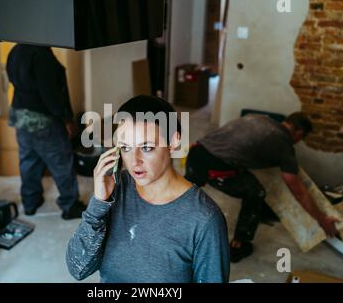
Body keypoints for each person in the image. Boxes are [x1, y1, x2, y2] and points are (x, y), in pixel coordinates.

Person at [66, 95, 229, 283]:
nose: (134, 162)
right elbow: (78, 269)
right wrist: (98, 203)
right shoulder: (115, 190)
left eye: (146, 147)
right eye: (126, 148)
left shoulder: (204, 219)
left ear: (173, 142)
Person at [185, 112, 340, 263]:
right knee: (256, 192)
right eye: (302, 138)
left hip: (195, 153)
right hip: (212, 169)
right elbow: (298, 191)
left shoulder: (258, 118)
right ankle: (239, 244)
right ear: (299, 133)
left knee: (185, 196)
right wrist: (321, 219)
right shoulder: (283, 145)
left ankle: (172, 226)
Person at [6, 44, 86, 219]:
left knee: (28, 160)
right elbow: (51, 94)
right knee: (61, 162)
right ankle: (70, 205)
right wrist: (65, 119)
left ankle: (30, 202)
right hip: (42, 118)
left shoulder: (16, 50)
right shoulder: (42, 56)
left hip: (20, 115)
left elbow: (12, 79)